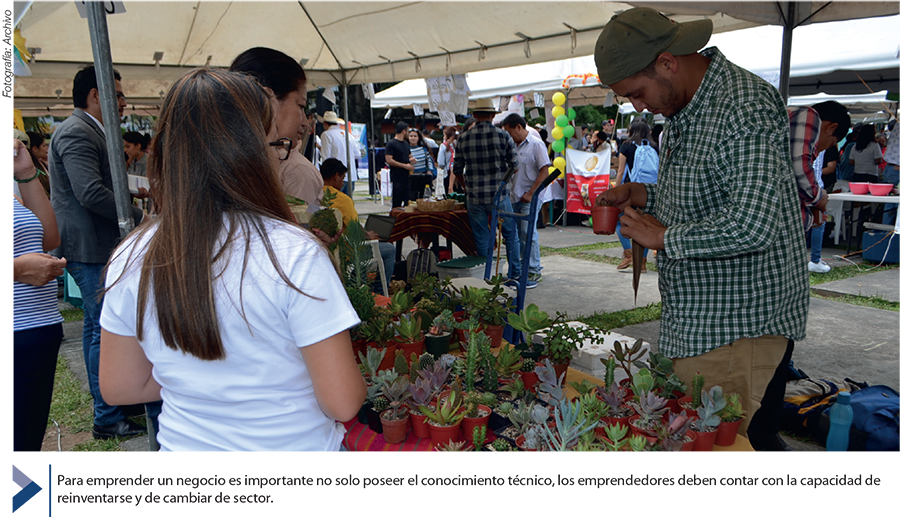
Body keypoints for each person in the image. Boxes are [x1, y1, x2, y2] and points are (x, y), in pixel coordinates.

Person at [99, 68, 366, 466]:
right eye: (276, 145)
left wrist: (202, 382)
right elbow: (343, 401)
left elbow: (120, 386)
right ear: (252, 152)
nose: (278, 155)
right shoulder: (294, 253)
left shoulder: (132, 254)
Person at [593, 8, 809, 463]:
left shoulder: (743, 105)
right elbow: (704, 195)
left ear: (667, 62)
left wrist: (664, 238)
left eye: (637, 92)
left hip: (736, 325)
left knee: (721, 454)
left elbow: (754, 222)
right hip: (700, 321)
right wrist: (644, 194)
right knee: (699, 447)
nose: (638, 107)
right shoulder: (685, 108)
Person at [48, 65, 150, 440]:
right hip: (89, 245)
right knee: (104, 331)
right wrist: (138, 216)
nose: (123, 104)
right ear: (96, 94)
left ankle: (113, 404)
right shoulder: (76, 131)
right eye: (118, 95)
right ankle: (107, 415)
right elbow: (90, 192)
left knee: (98, 327)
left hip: (95, 244)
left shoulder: (89, 129)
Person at [2, 139, 66, 465]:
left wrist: (26, 171)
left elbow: (49, 238)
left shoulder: (8, 186)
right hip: (8, 331)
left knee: (23, 448)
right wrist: (18, 269)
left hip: (37, 330)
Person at [230, 47, 322, 211]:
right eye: (300, 106)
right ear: (269, 100)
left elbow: (309, 216)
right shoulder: (295, 170)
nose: (304, 122)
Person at [453, 98, 521, 288]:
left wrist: (466, 186)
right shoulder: (503, 135)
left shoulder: (463, 138)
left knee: (482, 238)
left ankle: (487, 276)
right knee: (510, 235)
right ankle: (515, 274)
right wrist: (503, 182)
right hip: (499, 195)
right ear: (492, 115)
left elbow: (457, 170)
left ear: (475, 115)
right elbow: (515, 166)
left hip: (474, 197)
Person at [787, 101, 850, 274]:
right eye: (830, 144)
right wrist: (818, 197)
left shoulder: (788, 119)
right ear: (831, 128)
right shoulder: (808, 116)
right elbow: (799, 165)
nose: (822, 149)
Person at [319, 158, 395, 294]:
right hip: (348, 251)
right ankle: (380, 292)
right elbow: (354, 227)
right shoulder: (342, 199)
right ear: (336, 176)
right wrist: (368, 235)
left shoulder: (315, 194)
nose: (343, 183)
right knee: (389, 249)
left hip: (324, 248)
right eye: (343, 178)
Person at [502, 113, 550, 288]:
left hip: (530, 196)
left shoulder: (536, 144)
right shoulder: (511, 146)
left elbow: (545, 170)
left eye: (509, 132)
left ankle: (533, 269)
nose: (508, 136)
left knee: (527, 232)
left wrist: (531, 192)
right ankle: (521, 267)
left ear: (519, 127)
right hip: (513, 195)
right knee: (515, 235)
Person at [613, 119, 658, 271]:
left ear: (631, 130)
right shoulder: (654, 147)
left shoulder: (626, 146)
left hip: (630, 191)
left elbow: (621, 171)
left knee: (620, 221)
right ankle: (642, 262)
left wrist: (616, 190)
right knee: (644, 224)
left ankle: (629, 253)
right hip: (649, 191)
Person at [385, 121, 414, 208]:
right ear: (404, 131)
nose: (408, 133)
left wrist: (412, 160)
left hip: (407, 177)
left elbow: (409, 156)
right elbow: (389, 160)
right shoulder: (391, 144)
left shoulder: (406, 144)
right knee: (397, 201)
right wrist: (404, 166)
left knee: (408, 201)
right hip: (397, 176)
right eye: (408, 131)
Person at [408, 128, 437, 200]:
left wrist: (430, 170)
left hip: (423, 176)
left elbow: (429, 160)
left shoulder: (424, 149)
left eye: (415, 136)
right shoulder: (405, 149)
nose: (413, 138)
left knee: (424, 196)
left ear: (418, 138)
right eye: (411, 136)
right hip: (411, 177)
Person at [882, 121, 900, 225]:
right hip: (897, 169)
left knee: (890, 202)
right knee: (895, 203)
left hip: (889, 168)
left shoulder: (897, 123)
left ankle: (885, 230)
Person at [26, 131, 51, 197]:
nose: (47, 148)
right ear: (35, 148)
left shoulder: (43, 163)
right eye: (44, 146)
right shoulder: (32, 170)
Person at [438, 125, 457, 195]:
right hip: (458, 174)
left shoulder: (443, 146)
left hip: (447, 173)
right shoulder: (458, 144)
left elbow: (441, 162)